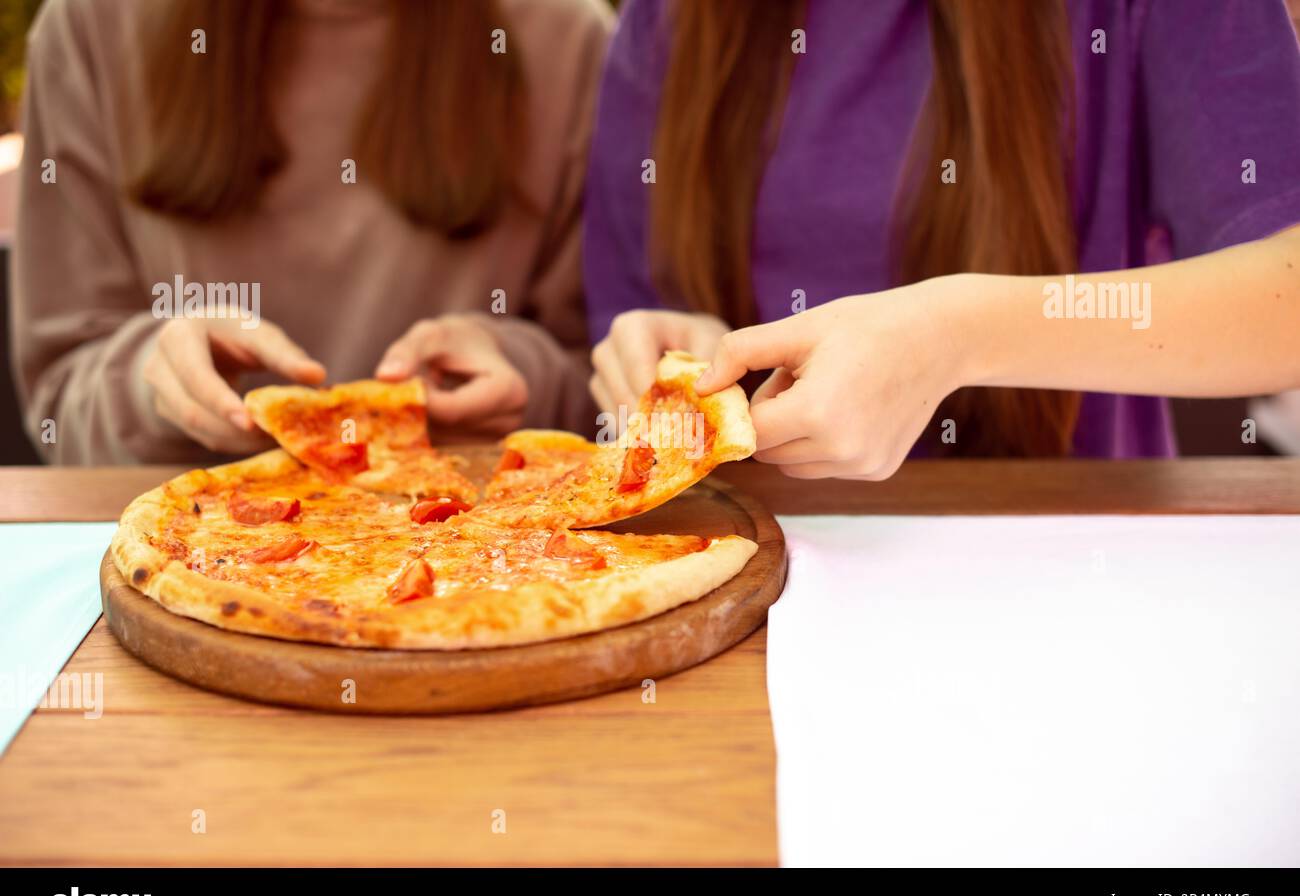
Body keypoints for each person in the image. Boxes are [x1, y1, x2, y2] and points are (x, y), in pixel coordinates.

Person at [585, 0, 1300, 480]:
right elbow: (636, 311)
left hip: (1061, 587)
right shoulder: (669, 20)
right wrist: (691, 360)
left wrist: (956, 335)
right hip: (748, 597)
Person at [12, 0, 611, 464]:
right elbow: (58, 409)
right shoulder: (91, 26)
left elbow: (613, 393)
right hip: (194, 541)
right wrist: (155, 387)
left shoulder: (569, 38)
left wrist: (518, 377)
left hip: (481, 551)